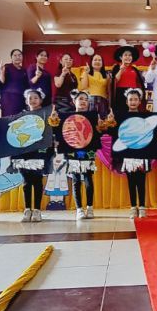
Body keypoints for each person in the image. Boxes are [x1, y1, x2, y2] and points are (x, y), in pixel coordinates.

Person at [55, 90, 98, 220]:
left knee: (88, 180)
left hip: (88, 151)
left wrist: (101, 126)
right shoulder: (67, 117)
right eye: (80, 99)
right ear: (74, 101)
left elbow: (98, 133)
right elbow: (61, 133)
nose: (83, 102)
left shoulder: (92, 117)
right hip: (72, 151)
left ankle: (89, 207)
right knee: (76, 181)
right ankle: (79, 209)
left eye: (86, 99)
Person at [15, 89, 54, 223]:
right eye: (30, 98)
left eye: (35, 98)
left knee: (37, 182)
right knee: (26, 182)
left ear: (41, 100)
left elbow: (51, 131)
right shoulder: (21, 116)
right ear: (26, 101)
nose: (32, 100)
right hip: (24, 154)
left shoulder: (46, 115)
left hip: (40, 153)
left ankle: (37, 210)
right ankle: (27, 210)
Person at [114, 88, 152, 218]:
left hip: (142, 153)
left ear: (140, 101)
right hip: (128, 154)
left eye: (136, 99)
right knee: (131, 181)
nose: (133, 102)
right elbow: (116, 133)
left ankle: (142, 207)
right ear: (126, 102)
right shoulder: (121, 117)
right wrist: (111, 122)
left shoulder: (146, 117)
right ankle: (133, 207)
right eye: (130, 99)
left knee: (141, 181)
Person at [111, 46, 145, 113]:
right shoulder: (116, 67)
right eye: (125, 55)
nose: (128, 57)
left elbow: (139, 84)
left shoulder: (135, 69)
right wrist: (121, 70)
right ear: (121, 57)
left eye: (130, 55)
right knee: (121, 114)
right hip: (120, 94)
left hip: (133, 94)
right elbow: (114, 81)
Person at [79, 53, 112, 118]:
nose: (97, 61)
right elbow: (84, 87)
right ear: (91, 62)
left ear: (102, 63)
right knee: (91, 120)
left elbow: (109, 92)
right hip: (90, 101)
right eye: (95, 60)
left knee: (103, 121)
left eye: (99, 60)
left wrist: (109, 105)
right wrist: (86, 73)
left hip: (103, 101)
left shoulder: (107, 76)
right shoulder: (86, 73)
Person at [0, 49, 28, 116]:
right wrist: (1, 72)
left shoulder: (24, 70)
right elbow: (2, 81)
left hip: (21, 98)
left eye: (19, 55)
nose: (17, 57)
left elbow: (26, 85)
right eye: (15, 55)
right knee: (9, 118)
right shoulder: (7, 67)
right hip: (9, 98)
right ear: (11, 57)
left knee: (20, 118)